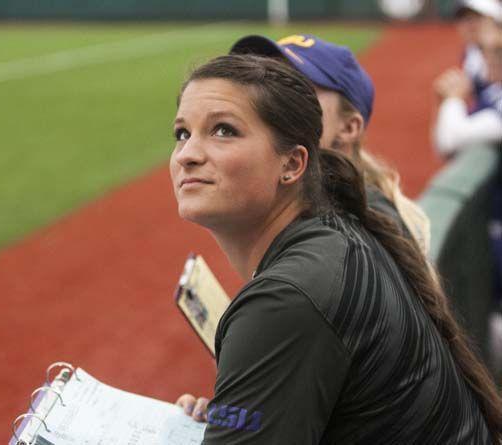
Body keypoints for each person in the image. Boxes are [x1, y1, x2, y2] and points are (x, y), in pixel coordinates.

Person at [170, 54, 501, 442]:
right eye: (182, 133)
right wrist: (248, 408)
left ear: (292, 165)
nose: (187, 154)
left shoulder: (289, 296)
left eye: (223, 131)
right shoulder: (341, 232)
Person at [228, 33, 431, 255]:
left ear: (348, 128)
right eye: (267, 87)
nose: (273, 104)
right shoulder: (321, 208)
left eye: (296, 90)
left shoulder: (356, 233)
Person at [433, 20, 502, 156]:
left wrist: (453, 99)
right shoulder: (493, 91)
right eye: (482, 48)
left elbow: (450, 141)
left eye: (499, 51)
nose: (489, 57)